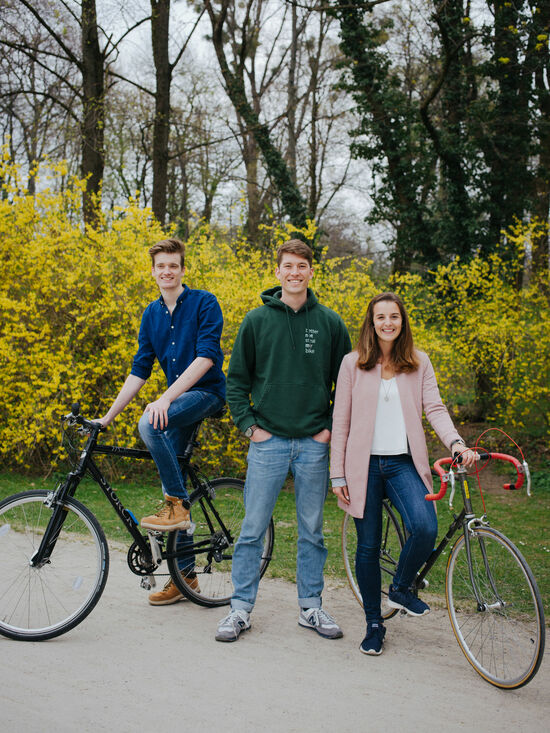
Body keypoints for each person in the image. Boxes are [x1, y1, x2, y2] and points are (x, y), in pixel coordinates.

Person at [215, 239, 352, 642]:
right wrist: (249, 427)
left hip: (313, 443)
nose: (295, 272)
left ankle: (311, 607)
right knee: (253, 528)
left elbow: (345, 386)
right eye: (288, 266)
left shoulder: (329, 323)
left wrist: (328, 427)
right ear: (277, 272)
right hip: (268, 443)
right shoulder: (257, 321)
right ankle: (239, 610)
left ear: (311, 272)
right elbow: (236, 381)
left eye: (302, 266)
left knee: (313, 529)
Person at [330, 292, 478, 656]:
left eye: (394, 316)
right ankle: (374, 625)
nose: (387, 323)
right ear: (371, 322)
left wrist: (457, 444)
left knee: (425, 527)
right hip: (361, 465)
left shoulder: (419, 363)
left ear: (402, 321)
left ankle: (399, 588)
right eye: (380, 317)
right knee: (367, 548)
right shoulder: (353, 364)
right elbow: (341, 421)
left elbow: (435, 408)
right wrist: (337, 475)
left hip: (402, 463)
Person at [97, 237, 225, 605]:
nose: (167, 271)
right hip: (177, 400)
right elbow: (139, 370)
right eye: (161, 266)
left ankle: (177, 505)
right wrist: (107, 418)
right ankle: (185, 578)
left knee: (150, 425)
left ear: (183, 269)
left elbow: (206, 359)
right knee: (178, 485)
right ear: (153, 272)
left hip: (206, 394)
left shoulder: (204, 302)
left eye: (173, 265)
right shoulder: (151, 314)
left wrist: (165, 399)